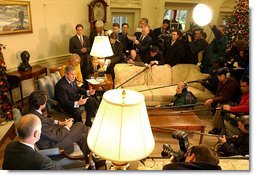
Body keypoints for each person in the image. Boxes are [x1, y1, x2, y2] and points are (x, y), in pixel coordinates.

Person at [27, 90, 95, 168]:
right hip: (54, 146)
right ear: (41, 105)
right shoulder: (38, 120)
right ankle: (91, 155)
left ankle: (89, 159)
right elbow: (57, 136)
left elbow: (47, 120)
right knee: (80, 125)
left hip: (53, 137)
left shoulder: (33, 111)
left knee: (83, 136)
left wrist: (61, 123)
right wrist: (67, 126)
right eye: (46, 102)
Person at [205, 68, 241, 135]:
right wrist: (214, 99)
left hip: (233, 102)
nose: (219, 77)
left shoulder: (232, 83)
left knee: (220, 106)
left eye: (220, 76)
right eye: (218, 76)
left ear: (227, 75)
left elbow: (226, 98)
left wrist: (213, 100)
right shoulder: (221, 81)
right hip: (226, 100)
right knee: (217, 104)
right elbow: (218, 93)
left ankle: (217, 128)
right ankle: (217, 127)